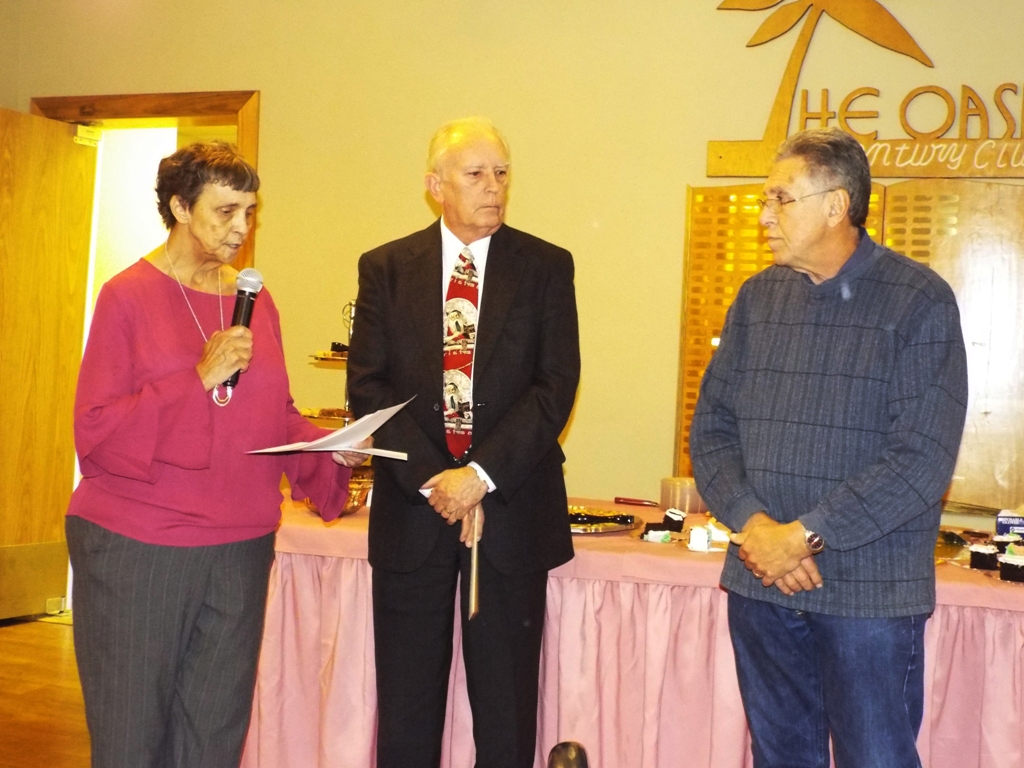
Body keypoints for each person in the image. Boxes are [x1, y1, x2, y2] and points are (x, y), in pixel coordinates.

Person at [66, 142, 368, 768]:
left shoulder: (257, 300)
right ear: (180, 207)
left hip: (240, 545)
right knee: (131, 738)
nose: (242, 228)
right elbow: (94, 431)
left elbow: (273, 413)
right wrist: (196, 378)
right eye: (226, 211)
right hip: (140, 547)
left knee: (213, 738)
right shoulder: (127, 296)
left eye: (250, 211)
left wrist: (329, 449)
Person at [689, 128, 968, 768]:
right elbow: (711, 431)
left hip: (869, 597)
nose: (764, 216)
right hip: (763, 583)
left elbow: (921, 460)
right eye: (766, 200)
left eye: (781, 199)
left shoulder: (919, 301)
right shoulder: (757, 298)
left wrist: (804, 536)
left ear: (837, 205)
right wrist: (759, 528)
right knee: (780, 757)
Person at [347, 117, 580, 768]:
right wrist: (437, 477)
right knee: (407, 713)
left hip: (510, 512)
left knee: (506, 716)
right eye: (476, 174)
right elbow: (368, 386)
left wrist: (479, 475)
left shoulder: (545, 266)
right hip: (414, 512)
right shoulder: (386, 269)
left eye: (501, 173)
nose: (494, 186)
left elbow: (555, 385)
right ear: (435, 186)